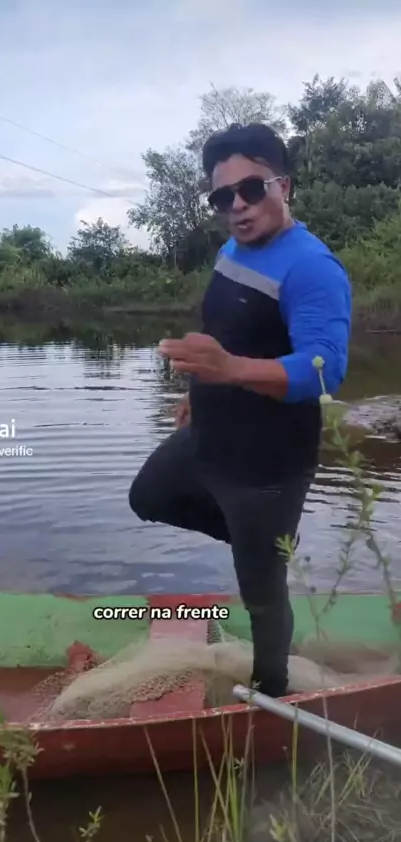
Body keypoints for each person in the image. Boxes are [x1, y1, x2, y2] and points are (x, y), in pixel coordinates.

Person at [129, 123, 352, 698]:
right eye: (222, 197)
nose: (238, 207)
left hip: (266, 465)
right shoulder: (232, 250)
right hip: (211, 434)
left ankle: (269, 702)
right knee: (148, 495)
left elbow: (323, 370)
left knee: (261, 598)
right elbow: (232, 334)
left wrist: (228, 370)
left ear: (285, 186)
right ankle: (268, 550)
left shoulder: (311, 268)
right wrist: (200, 390)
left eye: (251, 189)